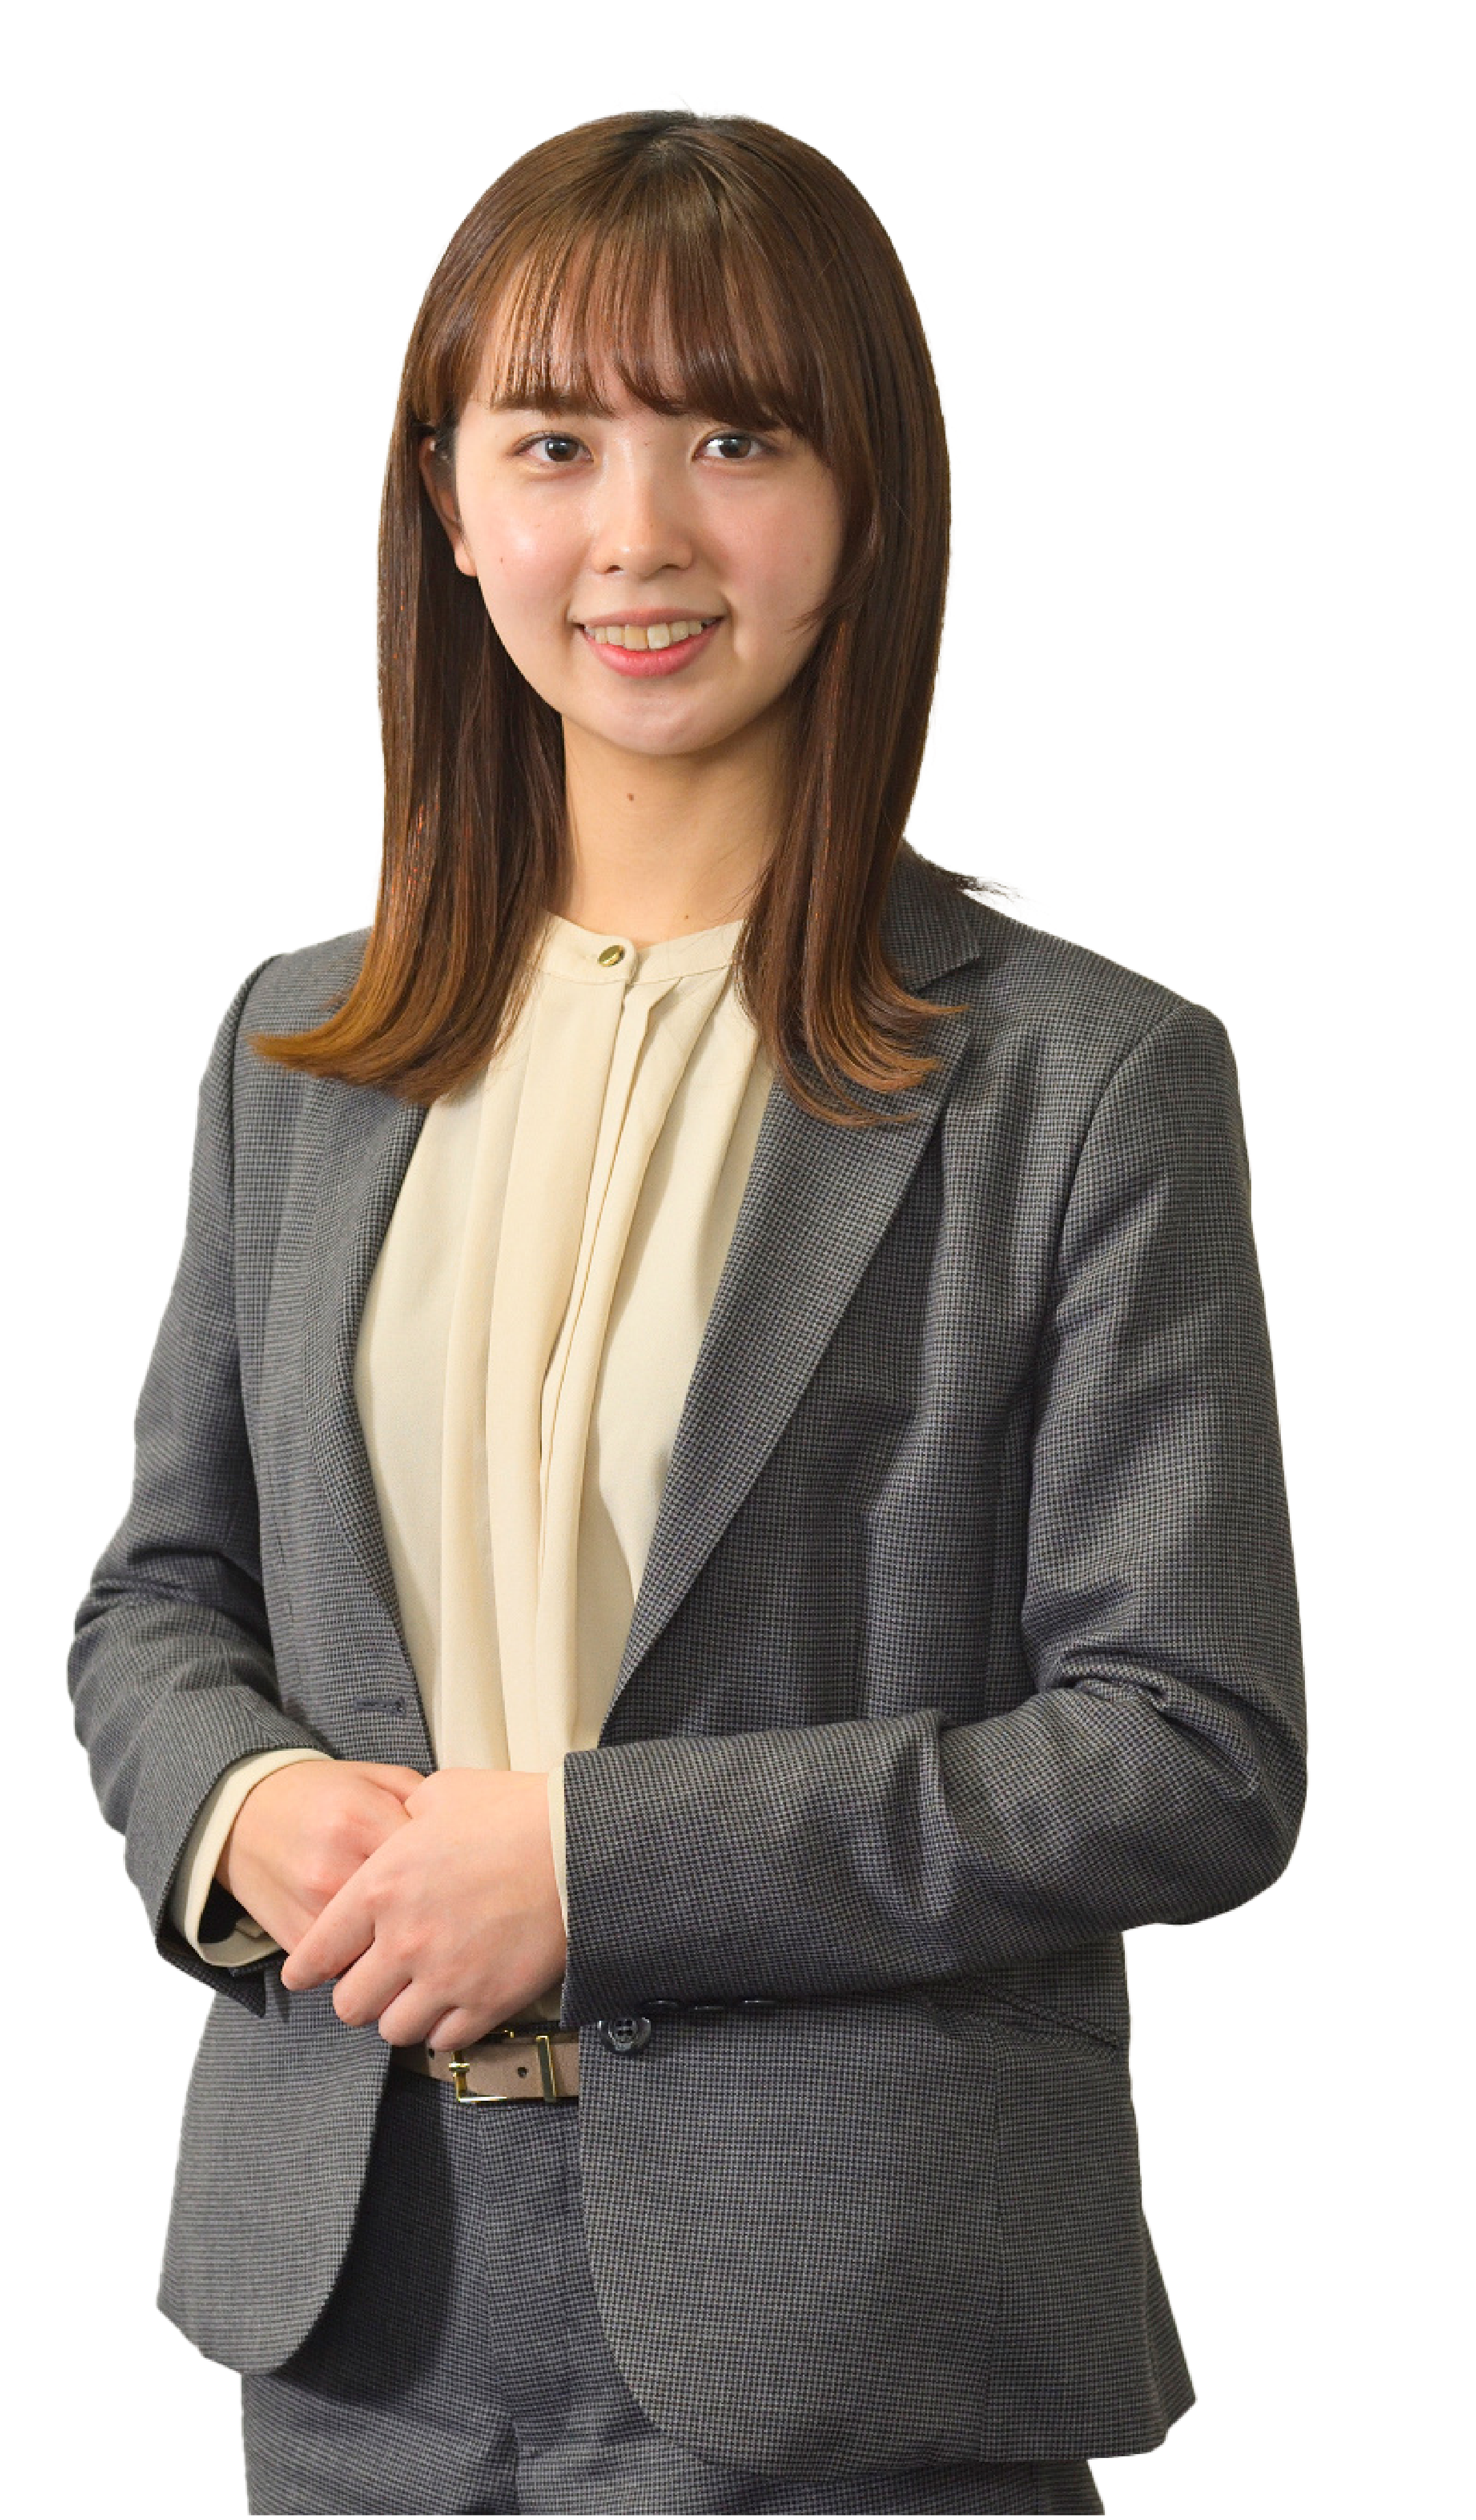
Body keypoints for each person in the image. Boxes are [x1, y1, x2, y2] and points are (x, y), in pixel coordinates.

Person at [65, 94, 1309, 2518]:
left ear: (870, 503)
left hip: (852, 2342)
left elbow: (1188, 1744)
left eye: (735, 437)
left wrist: (588, 1864)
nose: (637, 532)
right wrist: (243, 1802)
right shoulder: (297, 1050)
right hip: (358, 2333)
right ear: (450, 506)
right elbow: (159, 1595)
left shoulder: (1086, 1077)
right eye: (554, 442)